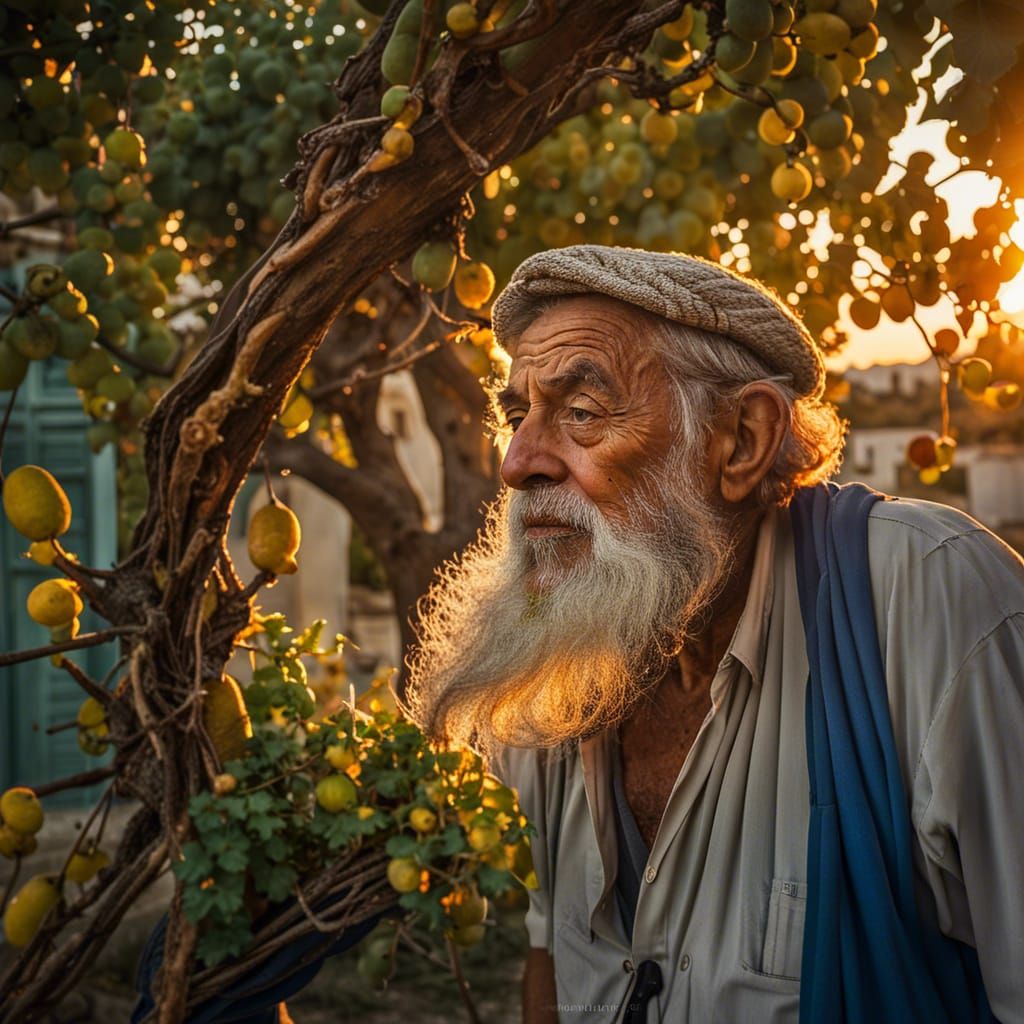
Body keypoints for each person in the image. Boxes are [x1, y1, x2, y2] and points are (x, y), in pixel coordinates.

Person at [402, 245, 1024, 1022]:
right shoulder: (557, 655)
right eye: (517, 413)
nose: (519, 461)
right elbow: (551, 957)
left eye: (583, 413)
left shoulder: (928, 595)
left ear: (741, 440)